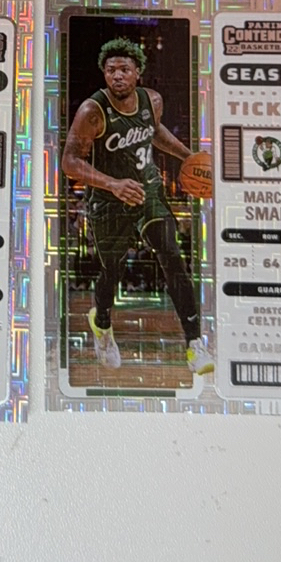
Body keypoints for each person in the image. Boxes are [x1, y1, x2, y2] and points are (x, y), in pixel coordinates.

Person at [60, 37, 213, 375]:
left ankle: (194, 343)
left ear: (137, 73)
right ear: (104, 74)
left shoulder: (151, 101)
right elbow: (69, 162)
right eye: (111, 70)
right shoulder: (92, 111)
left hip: (147, 192)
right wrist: (113, 184)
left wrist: (188, 156)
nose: (117, 75)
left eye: (124, 69)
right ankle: (101, 323)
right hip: (108, 201)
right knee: (111, 271)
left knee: (172, 254)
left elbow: (153, 131)